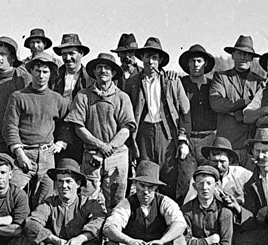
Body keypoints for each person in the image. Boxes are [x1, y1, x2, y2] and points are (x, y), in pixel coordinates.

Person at [97, 161, 190, 245]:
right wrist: (129, 241)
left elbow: (180, 224)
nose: (145, 191)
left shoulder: (165, 202)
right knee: (116, 238)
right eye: (142, 185)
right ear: (135, 184)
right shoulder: (127, 204)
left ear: (156, 187)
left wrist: (162, 241)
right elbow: (109, 227)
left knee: (176, 235)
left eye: (150, 187)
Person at [64, 52, 136, 209]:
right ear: (94, 72)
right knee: (88, 197)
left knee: (116, 200)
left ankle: (112, 231)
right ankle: (90, 231)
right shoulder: (83, 96)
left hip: (116, 155)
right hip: (91, 153)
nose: (103, 71)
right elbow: (79, 127)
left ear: (114, 73)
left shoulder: (122, 97)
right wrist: (99, 146)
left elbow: (126, 129)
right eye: (99, 67)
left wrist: (106, 149)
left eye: (107, 68)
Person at [125, 37, 191, 193]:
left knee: (168, 173)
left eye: (154, 58)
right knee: (146, 173)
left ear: (160, 60)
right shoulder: (133, 83)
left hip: (166, 132)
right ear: (141, 59)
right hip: (143, 133)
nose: (150, 62)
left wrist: (183, 139)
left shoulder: (172, 81)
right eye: (147, 57)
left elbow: (185, 113)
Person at [3, 52, 69, 208]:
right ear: (31, 71)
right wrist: (19, 154)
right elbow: (9, 126)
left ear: (51, 74)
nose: (41, 75)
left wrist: (61, 143)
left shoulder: (57, 99)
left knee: (45, 200)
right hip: (24, 154)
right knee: (12, 194)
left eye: (45, 72)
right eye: (37, 71)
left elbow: (67, 124)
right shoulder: (18, 97)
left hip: (47, 155)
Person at [20, 159, 107, 245]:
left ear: (78, 184)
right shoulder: (50, 203)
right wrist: (54, 239)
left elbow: (100, 219)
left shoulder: (88, 203)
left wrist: (81, 238)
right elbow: (32, 222)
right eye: (60, 181)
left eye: (68, 181)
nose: (64, 186)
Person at [182, 166, 245, 245]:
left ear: (216, 186)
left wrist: (198, 243)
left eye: (209, 183)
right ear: (194, 186)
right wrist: (209, 241)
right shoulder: (186, 211)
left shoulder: (225, 212)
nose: (205, 188)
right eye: (200, 183)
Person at [210, 36, 263, 165]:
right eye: (239, 53)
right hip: (228, 145)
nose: (243, 58)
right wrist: (245, 102)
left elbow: (260, 109)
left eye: (247, 55)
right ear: (233, 55)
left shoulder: (260, 82)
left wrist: (233, 112)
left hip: (251, 144)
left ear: (251, 58)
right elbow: (216, 103)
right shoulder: (221, 77)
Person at [177, 44, 219, 204]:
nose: (196, 65)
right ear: (187, 64)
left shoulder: (212, 85)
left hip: (208, 138)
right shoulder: (181, 83)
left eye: (199, 61)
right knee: (186, 181)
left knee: (208, 181)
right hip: (187, 139)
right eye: (193, 61)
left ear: (205, 64)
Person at [183, 136, 253, 216]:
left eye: (222, 161)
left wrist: (241, 199)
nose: (218, 166)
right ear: (209, 159)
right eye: (214, 161)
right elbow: (189, 203)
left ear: (230, 160)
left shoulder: (242, 174)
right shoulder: (200, 178)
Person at [52, 33, 92, 163]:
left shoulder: (91, 80)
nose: (67, 58)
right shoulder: (54, 77)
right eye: (64, 54)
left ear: (81, 54)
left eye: (72, 53)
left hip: (81, 135)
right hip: (55, 133)